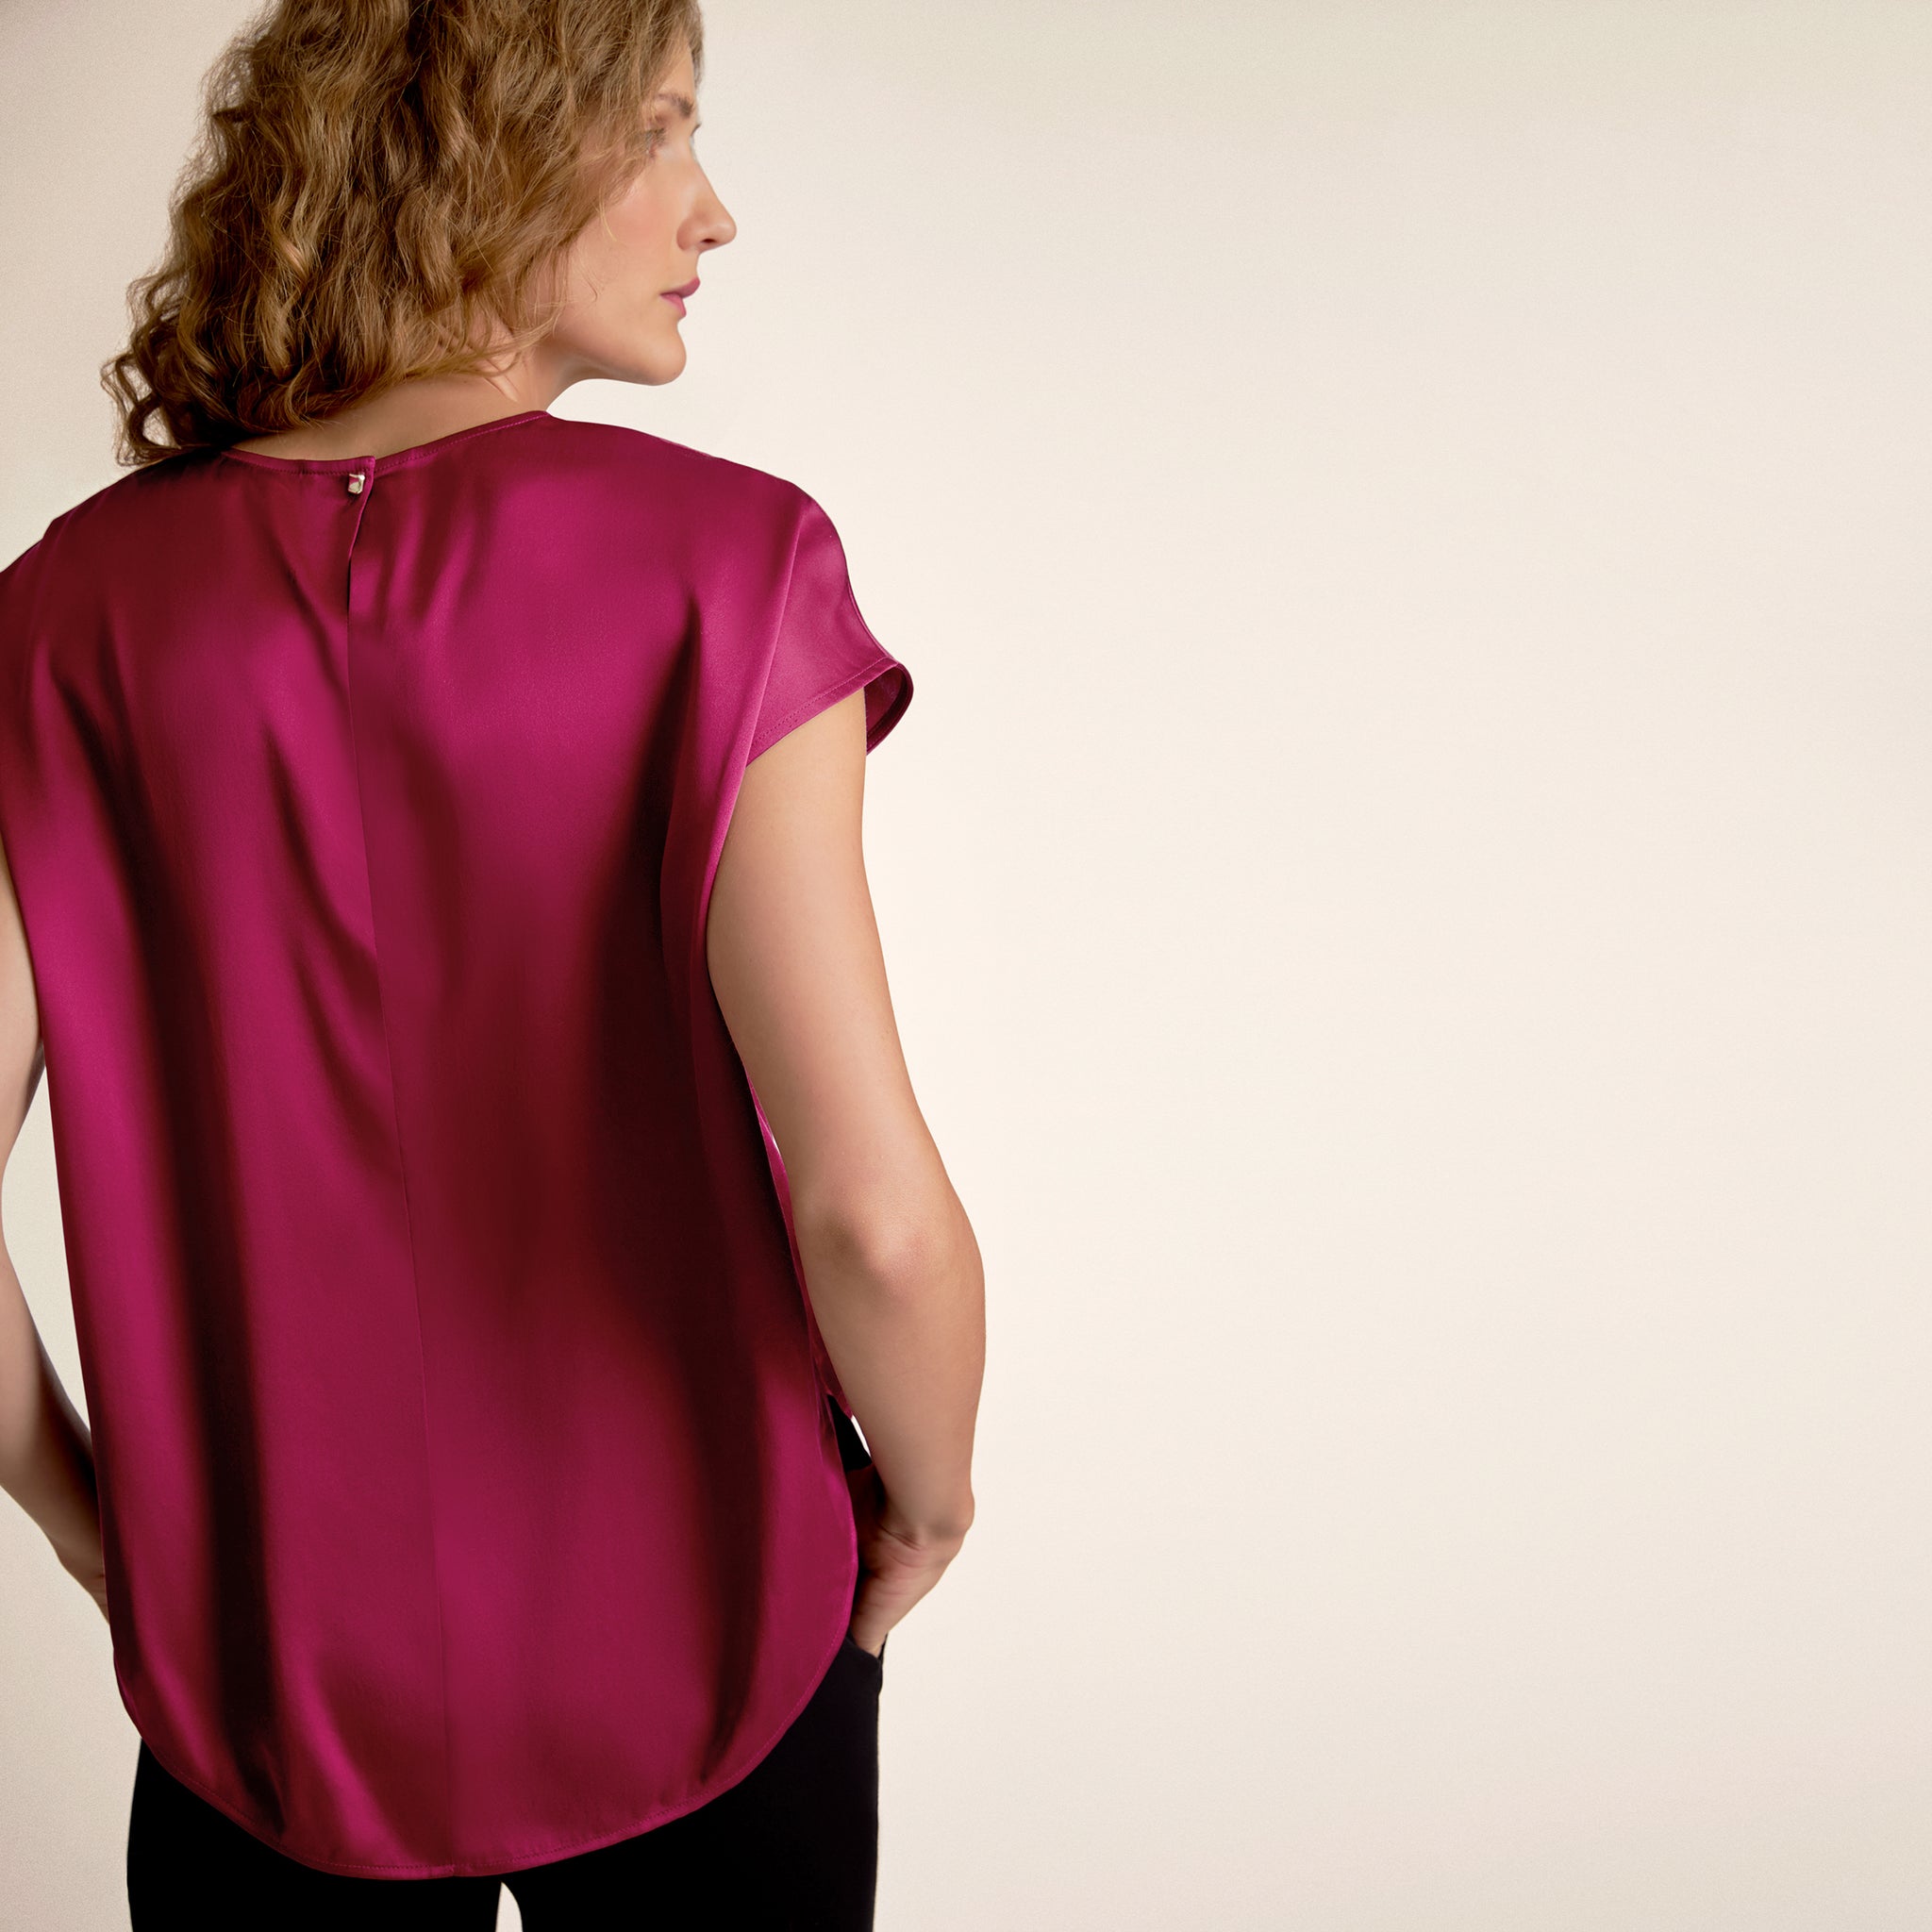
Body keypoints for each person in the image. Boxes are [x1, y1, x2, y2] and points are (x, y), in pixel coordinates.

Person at [0, 2, 985, 1923]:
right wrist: (929, 1505)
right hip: (722, 1630)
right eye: (662, 136)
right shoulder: (732, 569)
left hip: (257, 1691)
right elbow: (873, 1214)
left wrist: (97, 1528)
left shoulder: (58, 623)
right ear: (483, 162)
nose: (714, 214)